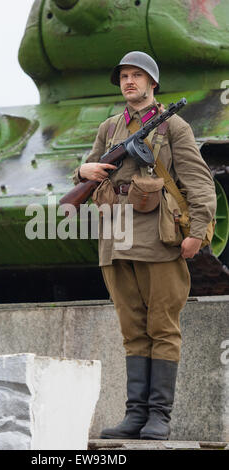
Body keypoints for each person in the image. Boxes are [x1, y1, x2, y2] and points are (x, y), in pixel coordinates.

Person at [72, 51, 216, 440]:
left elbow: (199, 183)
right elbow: (88, 169)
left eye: (137, 76)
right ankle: (135, 415)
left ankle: (159, 417)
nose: (129, 81)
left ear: (153, 83)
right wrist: (83, 170)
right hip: (115, 238)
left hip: (157, 236)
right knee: (132, 330)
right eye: (124, 76)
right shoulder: (109, 127)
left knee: (162, 327)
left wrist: (198, 232)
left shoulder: (175, 128)